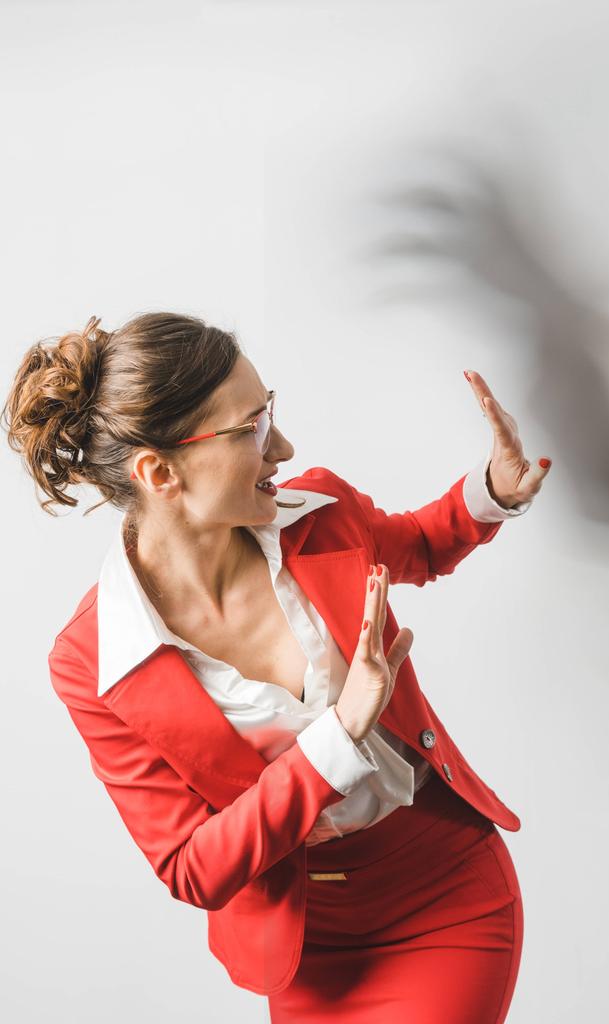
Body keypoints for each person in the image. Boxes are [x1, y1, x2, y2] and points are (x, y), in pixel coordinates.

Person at [2, 312, 551, 1022]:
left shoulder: (320, 514)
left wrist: (491, 493)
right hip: (307, 948)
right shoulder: (94, 663)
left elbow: (416, 543)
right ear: (159, 472)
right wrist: (339, 734)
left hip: (444, 892)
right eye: (252, 429)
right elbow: (193, 866)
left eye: (270, 412)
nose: (283, 447)